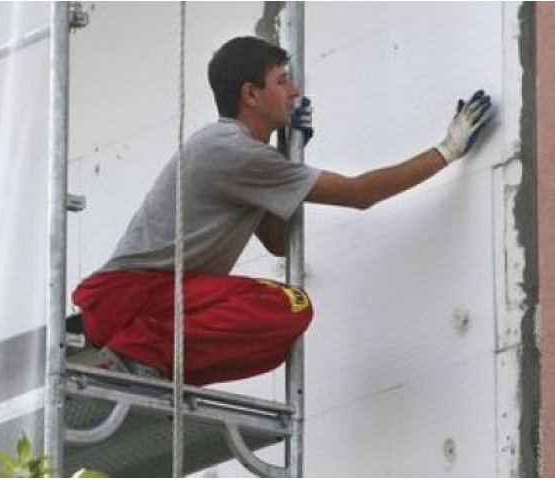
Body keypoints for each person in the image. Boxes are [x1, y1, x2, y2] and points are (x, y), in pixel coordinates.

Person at [71, 36, 494, 386]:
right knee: (290, 306)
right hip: (133, 298)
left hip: (145, 303)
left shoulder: (238, 154)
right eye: (282, 80)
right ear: (251, 94)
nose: (294, 91)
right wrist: (447, 150)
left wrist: (287, 157)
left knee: (273, 346)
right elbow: (359, 193)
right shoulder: (232, 150)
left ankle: (142, 359)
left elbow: (276, 241)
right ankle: (134, 356)